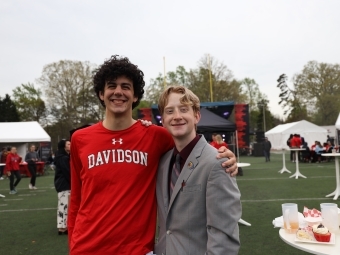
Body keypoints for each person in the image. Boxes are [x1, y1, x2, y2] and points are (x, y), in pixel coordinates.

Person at [68, 55, 238, 255]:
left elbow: (189, 145)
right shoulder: (81, 139)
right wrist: (73, 244)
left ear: (136, 96)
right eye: (111, 86)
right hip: (87, 248)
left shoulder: (155, 136)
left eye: (126, 86)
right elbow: (76, 201)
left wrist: (220, 153)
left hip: (137, 250)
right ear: (100, 93)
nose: (118, 92)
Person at [155, 86, 241, 254]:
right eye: (170, 111)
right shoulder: (163, 162)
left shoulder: (217, 163)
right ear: (163, 120)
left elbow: (224, 238)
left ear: (196, 116)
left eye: (184, 109)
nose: (177, 116)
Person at [54, 139, 71, 235]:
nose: (70, 145)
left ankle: (63, 226)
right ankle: (62, 227)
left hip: (63, 184)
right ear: (64, 147)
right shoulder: (63, 158)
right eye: (68, 144)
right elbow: (67, 172)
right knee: (64, 205)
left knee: (64, 205)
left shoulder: (63, 157)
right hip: (64, 184)